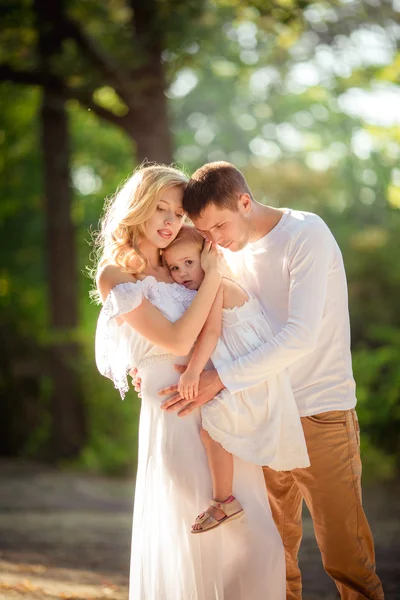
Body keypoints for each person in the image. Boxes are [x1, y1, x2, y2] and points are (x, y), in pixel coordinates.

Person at [159, 161, 384, 600]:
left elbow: (299, 336)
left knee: (346, 558)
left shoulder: (305, 234)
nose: (216, 241)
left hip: (319, 412)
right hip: (259, 414)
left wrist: (219, 379)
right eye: (206, 233)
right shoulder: (223, 253)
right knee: (272, 562)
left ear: (245, 201)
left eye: (221, 225)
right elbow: (216, 321)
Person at [94, 164, 285, 600]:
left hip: (221, 405)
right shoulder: (117, 275)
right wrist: (214, 276)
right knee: (197, 543)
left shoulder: (184, 258)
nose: (169, 222)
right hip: (174, 412)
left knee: (257, 541)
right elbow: (178, 337)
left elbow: (225, 323)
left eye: (178, 214)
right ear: (137, 207)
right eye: (160, 208)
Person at [162, 225, 310, 533]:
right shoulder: (206, 289)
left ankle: (224, 501)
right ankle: (225, 500)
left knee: (212, 431)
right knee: (213, 432)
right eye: (174, 267)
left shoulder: (219, 284)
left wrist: (192, 371)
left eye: (189, 262)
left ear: (208, 256)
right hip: (243, 372)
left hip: (254, 377)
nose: (182, 272)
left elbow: (212, 333)